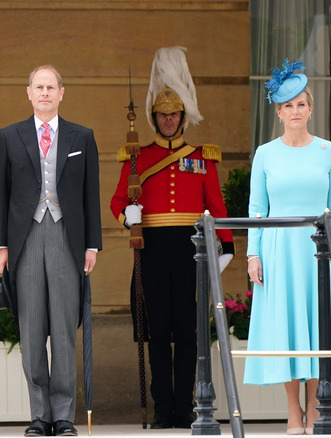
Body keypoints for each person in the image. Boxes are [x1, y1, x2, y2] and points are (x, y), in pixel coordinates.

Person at [110, 47, 234, 429]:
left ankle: (188, 407)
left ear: (182, 117)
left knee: (189, 333)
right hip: (151, 249)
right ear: (154, 117)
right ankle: (164, 408)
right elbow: (117, 200)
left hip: (190, 250)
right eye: (162, 115)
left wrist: (225, 246)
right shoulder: (137, 157)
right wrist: (126, 215)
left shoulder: (202, 157)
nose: (168, 120)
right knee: (157, 332)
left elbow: (216, 204)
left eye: (174, 114)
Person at [244, 59, 331, 435]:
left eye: (301, 104)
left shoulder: (328, 151)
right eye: (288, 105)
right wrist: (253, 254)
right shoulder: (265, 154)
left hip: (319, 251)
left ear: (310, 109)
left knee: (318, 329)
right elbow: (256, 210)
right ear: (279, 113)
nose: (295, 111)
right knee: (286, 330)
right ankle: (292, 411)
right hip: (279, 251)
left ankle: (316, 407)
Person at [0, 65, 102, 437]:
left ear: (61, 92)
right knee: (32, 329)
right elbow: (0, 196)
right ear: (28, 92)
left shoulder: (82, 137)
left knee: (64, 330)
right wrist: (2, 245)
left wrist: (92, 245)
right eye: (38, 87)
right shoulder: (9, 137)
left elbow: (90, 194)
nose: (44, 93)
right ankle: (40, 414)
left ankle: (64, 416)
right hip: (25, 239)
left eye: (50, 87)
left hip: (66, 237)